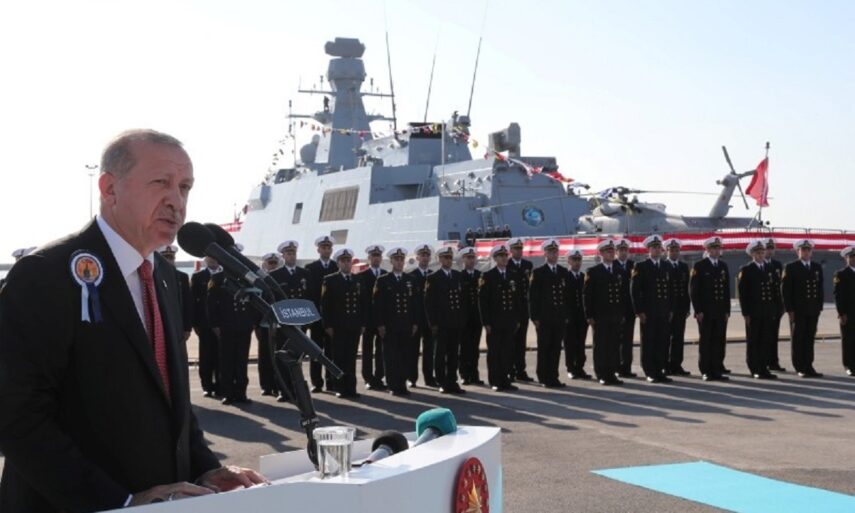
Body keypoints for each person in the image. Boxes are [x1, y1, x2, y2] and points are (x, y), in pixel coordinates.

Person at [0, 129, 265, 512]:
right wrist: (118, 502)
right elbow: (16, 414)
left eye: (185, 187)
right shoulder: (45, 273)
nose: (176, 201)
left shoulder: (165, 277)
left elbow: (172, 403)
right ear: (109, 188)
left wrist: (206, 469)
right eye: (161, 183)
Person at [207, 243, 261, 405]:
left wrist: (253, 322)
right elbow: (211, 304)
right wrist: (215, 325)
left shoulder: (247, 278)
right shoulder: (217, 278)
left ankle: (241, 392)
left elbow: (255, 300)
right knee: (227, 360)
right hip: (226, 325)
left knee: (241, 360)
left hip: (244, 325)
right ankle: (228, 393)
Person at [321, 248, 366, 399]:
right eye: (343, 261)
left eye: (348, 261)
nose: (346, 263)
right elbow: (325, 305)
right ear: (338, 263)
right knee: (338, 357)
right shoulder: (330, 280)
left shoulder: (358, 280)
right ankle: (339, 387)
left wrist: (363, 323)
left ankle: (351, 388)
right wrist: (328, 325)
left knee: (351, 358)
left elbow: (362, 303)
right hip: (338, 326)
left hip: (354, 325)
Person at [373, 247, 418, 396]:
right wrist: (380, 324)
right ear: (391, 261)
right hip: (390, 325)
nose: (399, 262)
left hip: (405, 324)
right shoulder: (383, 280)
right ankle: (392, 385)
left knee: (404, 356)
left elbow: (415, 304)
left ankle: (402, 384)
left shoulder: (410, 280)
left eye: (401, 259)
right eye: (396, 259)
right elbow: (378, 305)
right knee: (391, 356)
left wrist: (414, 323)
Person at [268, 241, 310, 401]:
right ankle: (284, 390)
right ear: (283, 256)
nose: (292, 256)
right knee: (282, 356)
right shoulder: (275, 275)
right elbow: (272, 300)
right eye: (288, 253)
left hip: (300, 321)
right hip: (283, 323)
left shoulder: (305, 274)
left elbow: (309, 297)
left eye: (293, 253)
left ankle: (298, 389)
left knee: (297, 358)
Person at [479, 244, 524, 391]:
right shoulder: (488, 276)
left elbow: (517, 299)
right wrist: (486, 322)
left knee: (507, 351)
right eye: (501, 256)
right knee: (494, 352)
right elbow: (483, 302)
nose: (504, 258)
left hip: (509, 320)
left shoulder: (513, 275)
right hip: (495, 322)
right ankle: (495, 381)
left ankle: (506, 380)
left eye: (506, 256)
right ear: (495, 258)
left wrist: (517, 319)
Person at [631, 235, 673, 384]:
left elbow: (670, 290)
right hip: (648, 312)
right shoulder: (641, 266)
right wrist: (639, 311)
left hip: (663, 311)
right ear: (648, 249)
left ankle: (660, 370)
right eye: (654, 247)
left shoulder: (666, 266)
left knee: (662, 342)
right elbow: (635, 291)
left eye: (658, 247)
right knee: (649, 342)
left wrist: (670, 309)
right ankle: (650, 371)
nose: (657, 250)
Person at [584, 240, 627, 385]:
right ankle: (601, 374)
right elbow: (587, 296)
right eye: (608, 251)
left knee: (614, 345)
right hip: (600, 316)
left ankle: (612, 373)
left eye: (612, 251)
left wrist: (622, 313)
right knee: (601, 346)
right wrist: (589, 315)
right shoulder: (593, 271)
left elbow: (623, 294)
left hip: (615, 315)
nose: (611, 253)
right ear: (601, 253)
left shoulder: (619, 271)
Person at [425, 246, 466, 394]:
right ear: (440, 259)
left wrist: (462, 320)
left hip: (455, 321)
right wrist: (433, 323)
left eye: (450, 257)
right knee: (440, 354)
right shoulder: (433, 277)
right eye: (445, 258)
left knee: (454, 353)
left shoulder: (457, 275)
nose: (448, 260)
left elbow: (463, 300)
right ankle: (441, 381)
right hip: (442, 323)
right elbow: (429, 303)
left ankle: (452, 381)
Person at [737, 241, 780, 379]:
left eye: (762, 252)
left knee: (765, 340)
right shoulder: (746, 269)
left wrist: (776, 309)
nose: (761, 255)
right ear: (752, 254)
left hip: (767, 311)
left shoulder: (770, 268)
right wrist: (746, 313)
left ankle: (764, 367)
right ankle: (754, 368)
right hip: (754, 312)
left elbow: (775, 291)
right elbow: (743, 294)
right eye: (758, 253)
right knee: (754, 341)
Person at [690, 236, 731, 381]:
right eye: (713, 248)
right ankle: (706, 370)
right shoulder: (700, 266)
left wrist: (727, 311)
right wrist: (698, 311)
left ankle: (716, 369)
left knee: (718, 341)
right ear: (707, 250)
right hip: (706, 312)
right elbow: (694, 290)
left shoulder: (723, 266)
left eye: (718, 248)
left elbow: (726, 291)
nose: (716, 250)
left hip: (720, 311)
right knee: (706, 341)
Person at [529, 239, 568, 388]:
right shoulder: (538, 272)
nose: (554, 254)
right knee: (544, 347)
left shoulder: (563, 272)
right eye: (550, 252)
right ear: (545, 253)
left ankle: (554, 376)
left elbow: (567, 296)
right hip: (544, 318)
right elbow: (533, 297)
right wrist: (534, 317)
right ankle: (543, 376)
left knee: (556, 348)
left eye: (555, 251)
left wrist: (566, 315)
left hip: (559, 317)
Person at [782, 239, 824, 378]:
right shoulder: (791, 267)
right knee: (798, 338)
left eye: (808, 250)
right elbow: (786, 291)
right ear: (797, 252)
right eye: (803, 250)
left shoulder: (816, 267)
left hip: (812, 309)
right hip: (798, 310)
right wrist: (789, 310)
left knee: (809, 338)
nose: (806, 252)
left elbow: (820, 289)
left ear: (811, 252)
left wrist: (819, 308)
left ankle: (809, 365)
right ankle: (799, 366)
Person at [305, 235, 339, 392]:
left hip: (332, 317)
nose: (326, 250)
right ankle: (316, 382)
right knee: (316, 351)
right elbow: (309, 294)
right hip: (316, 317)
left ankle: (331, 381)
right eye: (323, 247)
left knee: (332, 351)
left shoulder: (337, 266)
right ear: (318, 249)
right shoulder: (310, 268)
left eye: (328, 247)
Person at [191, 256, 222, 397]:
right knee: (206, 356)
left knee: (221, 356)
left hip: (222, 323)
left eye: (215, 257)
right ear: (205, 259)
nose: (213, 260)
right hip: (204, 323)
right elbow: (193, 301)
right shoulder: (198, 277)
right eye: (210, 257)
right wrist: (194, 323)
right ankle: (207, 386)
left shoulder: (226, 275)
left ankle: (221, 385)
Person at [359, 244, 387, 391]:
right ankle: (368, 378)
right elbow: (361, 301)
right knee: (367, 350)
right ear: (368, 258)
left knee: (381, 350)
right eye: (373, 256)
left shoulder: (386, 275)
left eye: (378, 256)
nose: (376, 258)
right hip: (368, 319)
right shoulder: (362, 276)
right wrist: (362, 322)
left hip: (382, 319)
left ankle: (379, 377)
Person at [408, 244, 437, 387]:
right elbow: (410, 301)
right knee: (413, 350)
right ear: (417, 257)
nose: (425, 258)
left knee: (429, 350)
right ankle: (412, 378)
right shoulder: (411, 276)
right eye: (422, 255)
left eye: (427, 255)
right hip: (416, 319)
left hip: (430, 320)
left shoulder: (434, 276)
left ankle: (429, 378)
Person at [507, 237, 535, 383]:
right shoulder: (507, 264)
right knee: (510, 342)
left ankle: (520, 370)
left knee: (521, 342)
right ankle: (509, 370)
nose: (519, 251)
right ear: (511, 250)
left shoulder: (527, 265)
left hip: (524, 309)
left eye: (520, 248)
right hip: (511, 309)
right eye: (516, 249)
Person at [664, 239, 691, 376]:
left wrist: (687, 307)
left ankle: (677, 364)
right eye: (672, 250)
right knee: (665, 338)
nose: (674, 253)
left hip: (680, 308)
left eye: (676, 250)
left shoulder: (684, 267)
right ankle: (665, 365)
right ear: (667, 251)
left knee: (679, 338)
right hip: (668, 308)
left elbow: (687, 289)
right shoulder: (664, 266)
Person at [458, 247, 484, 385]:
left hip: (477, 317)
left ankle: (474, 375)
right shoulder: (459, 276)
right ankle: (464, 374)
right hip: (463, 318)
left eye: (473, 257)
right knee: (464, 348)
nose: (471, 260)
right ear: (463, 259)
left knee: (474, 348)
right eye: (468, 258)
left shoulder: (480, 276)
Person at [564, 249, 590, 379]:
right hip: (569, 316)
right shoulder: (564, 276)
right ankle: (571, 368)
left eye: (579, 259)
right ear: (569, 261)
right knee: (570, 343)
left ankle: (580, 367)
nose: (577, 262)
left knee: (581, 343)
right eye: (574, 259)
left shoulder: (583, 277)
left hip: (581, 316)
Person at [762, 238, 787, 372]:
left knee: (773, 336)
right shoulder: (758, 265)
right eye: (767, 248)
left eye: (771, 248)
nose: (769, 251)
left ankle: (773, 362)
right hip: (763, 307)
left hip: (775, 307)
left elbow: (780, 286)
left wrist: (782, 306)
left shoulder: (777, 265)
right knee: (763, 336)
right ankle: (763, 362)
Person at [158, 244, 192, 342]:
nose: (169, 260)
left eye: (171, 257)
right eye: (165, 257)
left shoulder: (183, 277)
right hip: (161, 323)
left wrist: (187, 327)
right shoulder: (154, 276)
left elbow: (187, 303)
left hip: (178, 323)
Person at [614, 238, 637, 378]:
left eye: (625, 250)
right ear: (616, 252)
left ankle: (626, 367)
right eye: (621, 250)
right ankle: (617, 367)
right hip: (616, 310)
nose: (623, 252)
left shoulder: (633, 266)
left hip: (629, 310)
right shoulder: (612, 265)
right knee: (616, 340)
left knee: (628, 340)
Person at [833, 246, 855, 377]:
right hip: (848, 313)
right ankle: (849, 366)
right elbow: (838, 295)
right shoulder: (841, 274)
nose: (854, 259)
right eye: (851, 257)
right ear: (846, 258)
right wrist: (841, 313)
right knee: (848, 340)